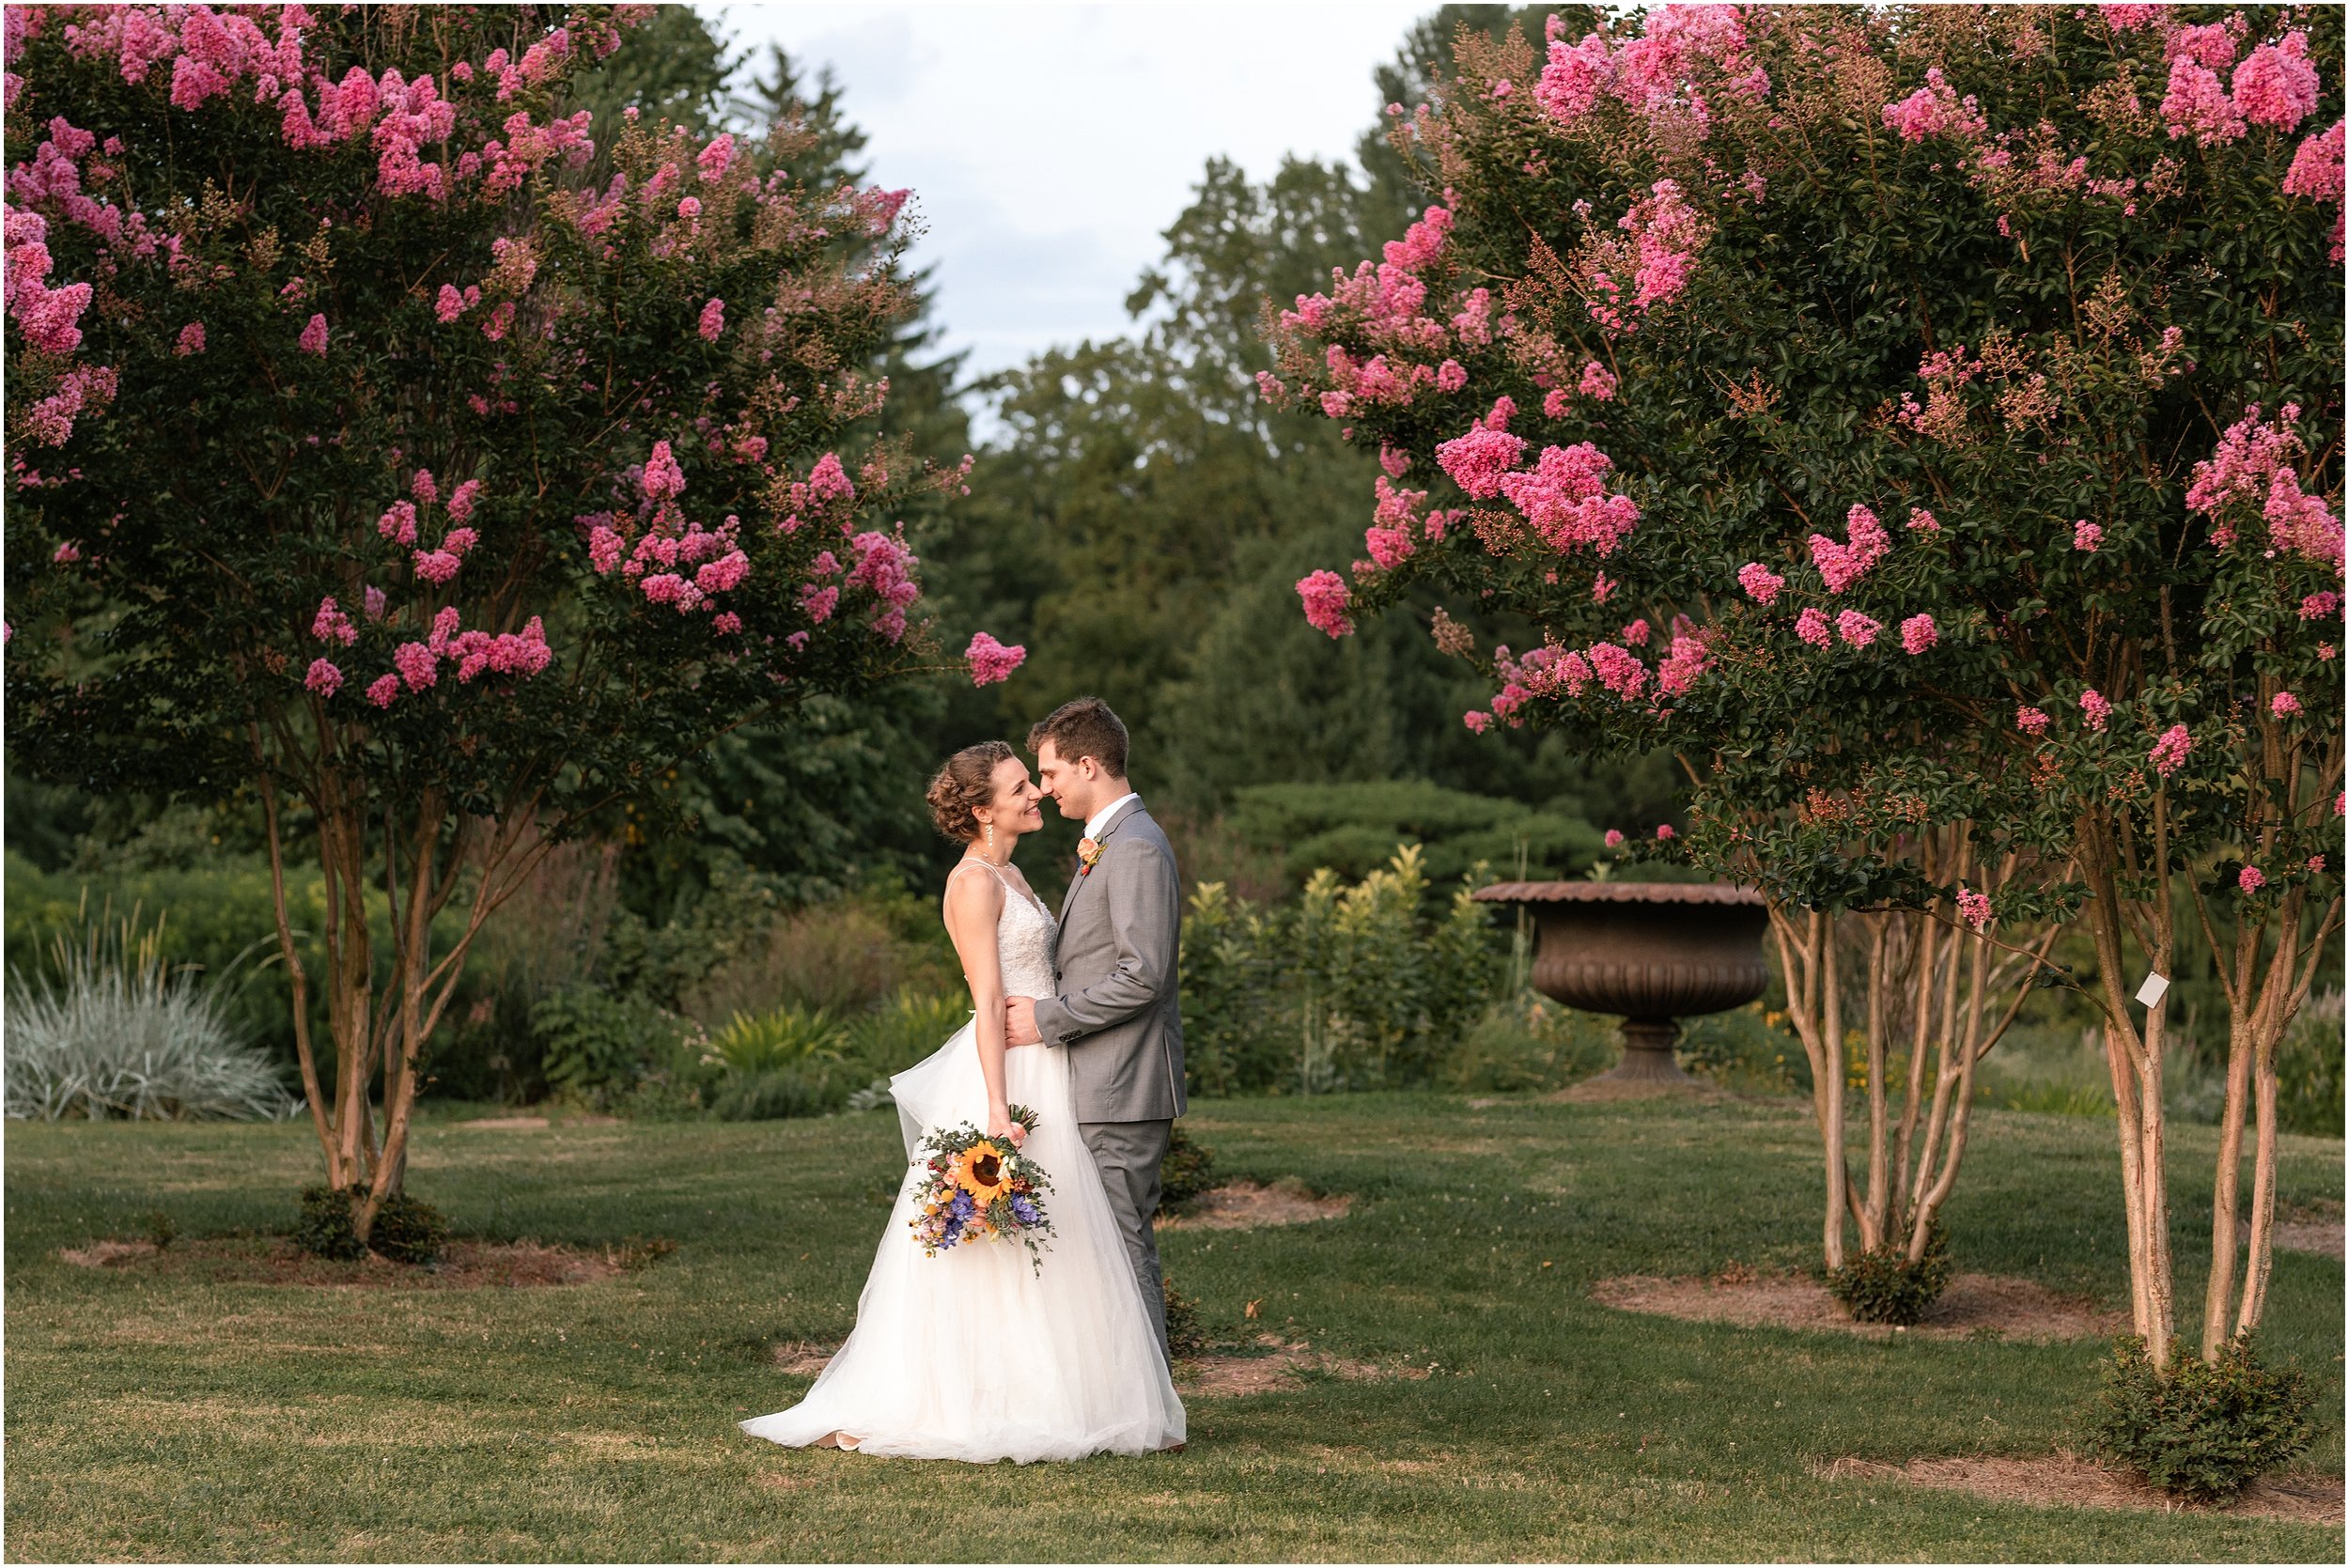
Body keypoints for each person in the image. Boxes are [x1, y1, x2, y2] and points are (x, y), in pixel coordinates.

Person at [739, 737, 1185, 1463]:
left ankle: (1070, 1393)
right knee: (995, 1254)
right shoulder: (973, 882)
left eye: (1033, 781)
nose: (1034, 793)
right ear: (982, 811)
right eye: (1018, 787)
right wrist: (1000, 1110)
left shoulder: (1012, 874)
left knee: (1056, 1242)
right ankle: (970, 1398)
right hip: (1008, 1073)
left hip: (1050, 1062)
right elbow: (986, 1003)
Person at [1003, 696, 1187, 1363]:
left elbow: (1144, 975)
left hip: (1125, 1084)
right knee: (1105, 1239)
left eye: (1050, 774)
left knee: (1120, 1239)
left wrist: (1046, 1021)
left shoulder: (1135, 846)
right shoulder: (1109, 842)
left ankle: (1154, 1406)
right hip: (1103, 1081)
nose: (1045, 788)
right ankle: (1120, 1390)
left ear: (1087, 764)